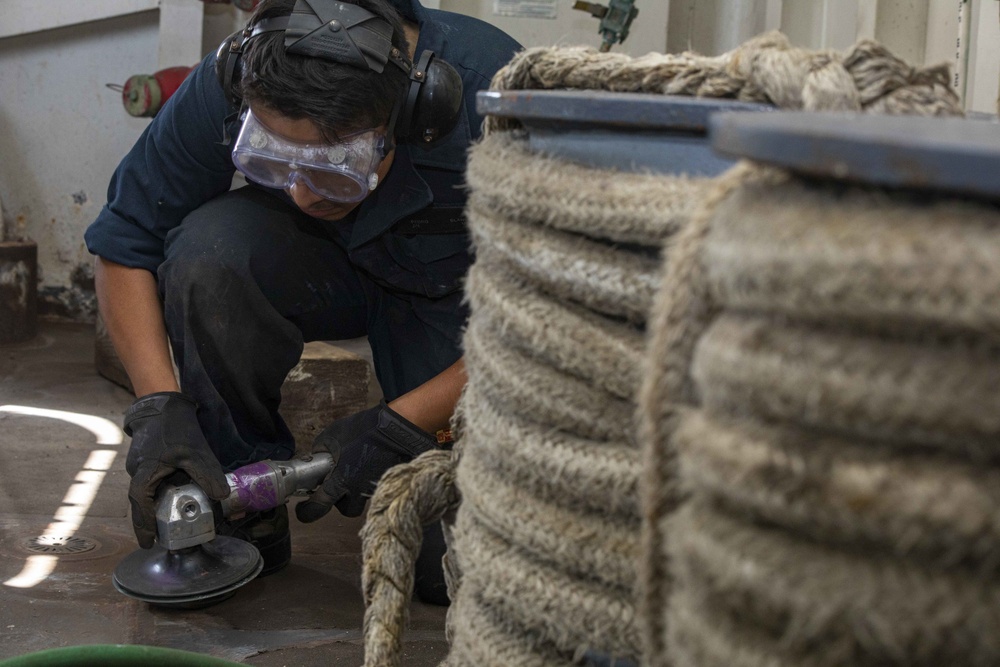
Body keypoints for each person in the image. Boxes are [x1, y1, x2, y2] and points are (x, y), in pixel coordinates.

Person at [85, 0, 521, 605]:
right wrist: (158, 409)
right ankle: (243, 512)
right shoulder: (232, 78)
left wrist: (406, 423)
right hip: (318, 266)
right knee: (211, 254)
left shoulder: (499, 96)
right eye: (273, 160)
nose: (300, 194)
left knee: (449, 573)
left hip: (462, 307)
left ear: (409, 115)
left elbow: (555, 314)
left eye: (335, 170)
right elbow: (125, 239)